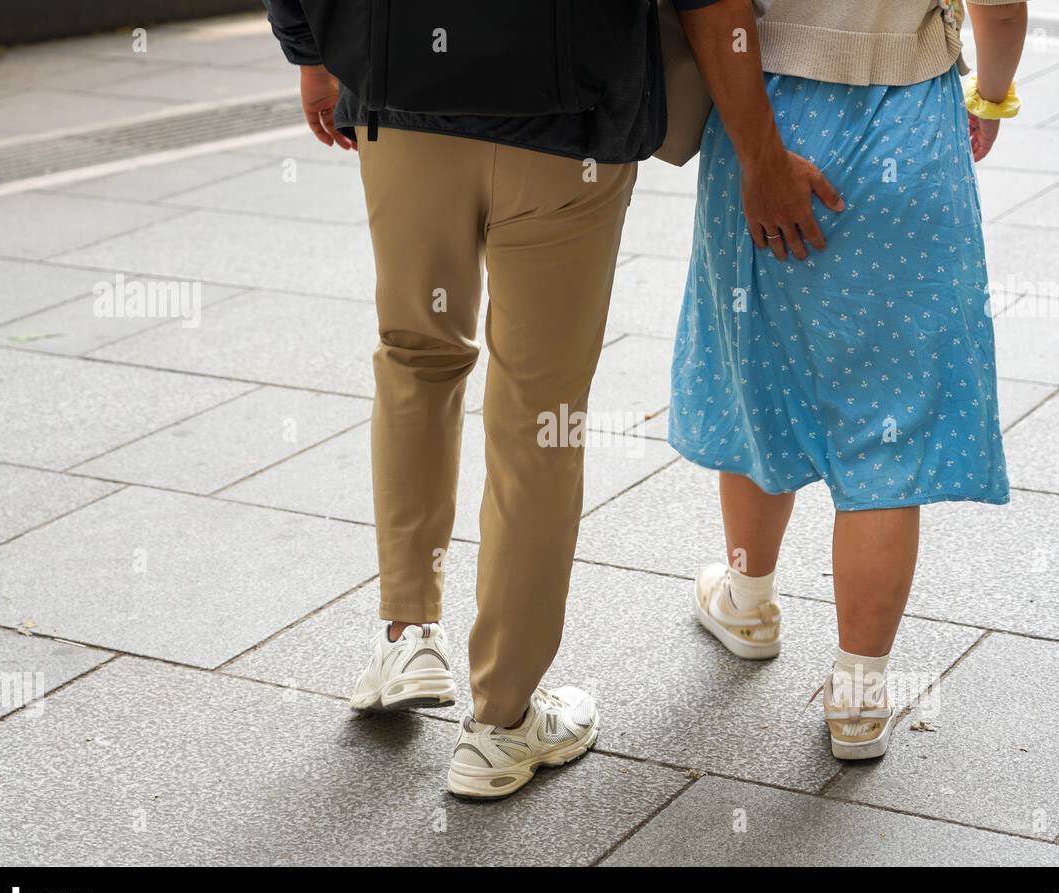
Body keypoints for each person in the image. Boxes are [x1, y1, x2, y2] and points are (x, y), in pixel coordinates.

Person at [261, 0, 735, 799]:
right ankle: (500, 721)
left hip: (403, 97)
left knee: (417, 359)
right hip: (570, 120)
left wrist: (311, 51)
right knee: (539, 416)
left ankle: (409, 632)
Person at [673, 0, 1027, 759]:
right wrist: (993, 93)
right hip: (911, 124)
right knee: (887, 423)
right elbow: (1001, 8)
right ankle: (861, 697)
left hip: (764, 116)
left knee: (757, 374)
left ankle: (748, 601)